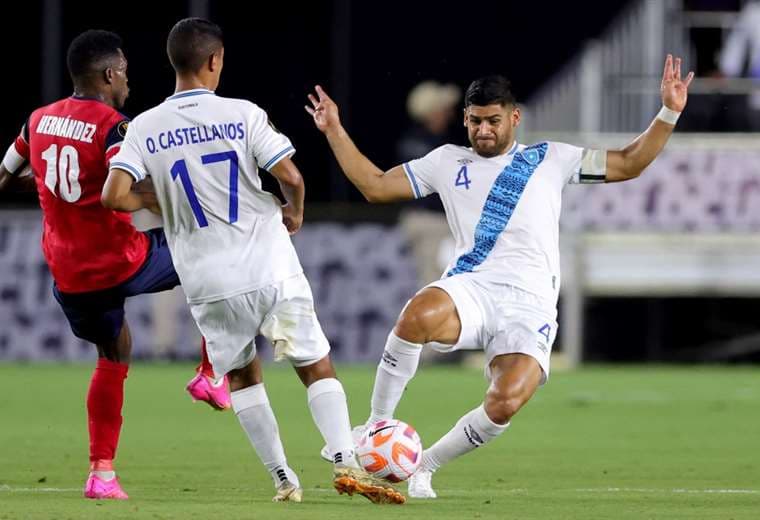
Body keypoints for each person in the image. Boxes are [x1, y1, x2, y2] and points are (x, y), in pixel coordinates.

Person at [306, 55, 693, 498]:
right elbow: (374, 186)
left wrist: (668, 112)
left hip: (530, 305)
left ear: (514, 117)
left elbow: (629, 163)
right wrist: (333, 129)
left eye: (492, 121)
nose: (483, 131)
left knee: (505, 402)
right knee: (417, 315)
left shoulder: (551, 158)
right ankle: (374, 429)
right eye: (474, 122)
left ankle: (424, 466)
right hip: (473, 287)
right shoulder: (447, 162)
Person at [102, 18, 405, 505]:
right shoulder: (242, 113)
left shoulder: (144, 127)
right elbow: (291, 175)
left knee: (242, 375)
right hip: (267, 263)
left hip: (206, 280)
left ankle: (284, 480)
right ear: (215, 61)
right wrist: (295, 211)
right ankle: (346, 460)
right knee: (314, 364)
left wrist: (161, 200)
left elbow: (114, 196)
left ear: (173, 62)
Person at [0, 30, 231, 501]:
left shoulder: (38, 119)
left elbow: (6, 177)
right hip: (122, 261)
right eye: (123, 70)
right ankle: (211, 373)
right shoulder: (113, 126)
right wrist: (187, 200)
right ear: (109, 74)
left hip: (69, 276)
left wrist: (52, 184)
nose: (127, 78)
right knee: (215, 250)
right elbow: (129, 192)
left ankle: (102, 474)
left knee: (113, 355)